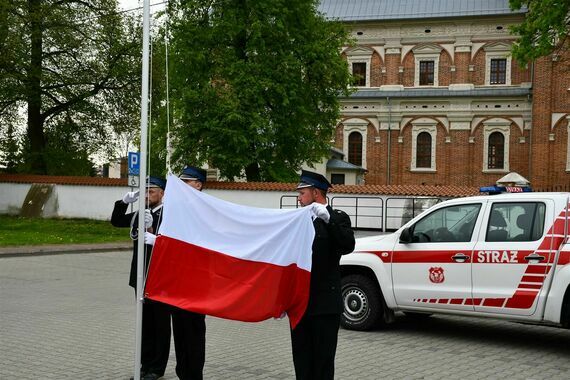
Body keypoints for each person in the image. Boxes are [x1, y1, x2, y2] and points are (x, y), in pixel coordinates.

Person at [290, 170, 355, 380]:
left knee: (323, 363)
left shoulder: (338, 218)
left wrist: (328, 220)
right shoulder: (297, 221)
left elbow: (347, 245)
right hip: (300, 305)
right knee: (302, 362)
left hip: (325, 305)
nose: (298, 198)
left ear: (316, 193)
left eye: (302, 193)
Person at [145, 165, 207, 380]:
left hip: (196, 282)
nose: (181, 186)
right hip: (177, 281)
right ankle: (183, 372)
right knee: (180, 330)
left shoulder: (205, 209)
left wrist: (160, 244)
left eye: (186, 182)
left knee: (193, 331)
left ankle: (193, 374)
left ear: (198, 184)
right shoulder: (178, 208)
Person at [111, 176, 171, 380]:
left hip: (161, 278)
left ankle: (156, 368)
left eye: (151, 191)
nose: (146, 195)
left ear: (162, 193)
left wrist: (157, 239)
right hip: (141, 276)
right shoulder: (141, 213)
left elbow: (176, 245)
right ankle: (144, 366)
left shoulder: (170, 215)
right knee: (144, 324)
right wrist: (124, 202)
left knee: (160, 325)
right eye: (145, 191)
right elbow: (117, 221)